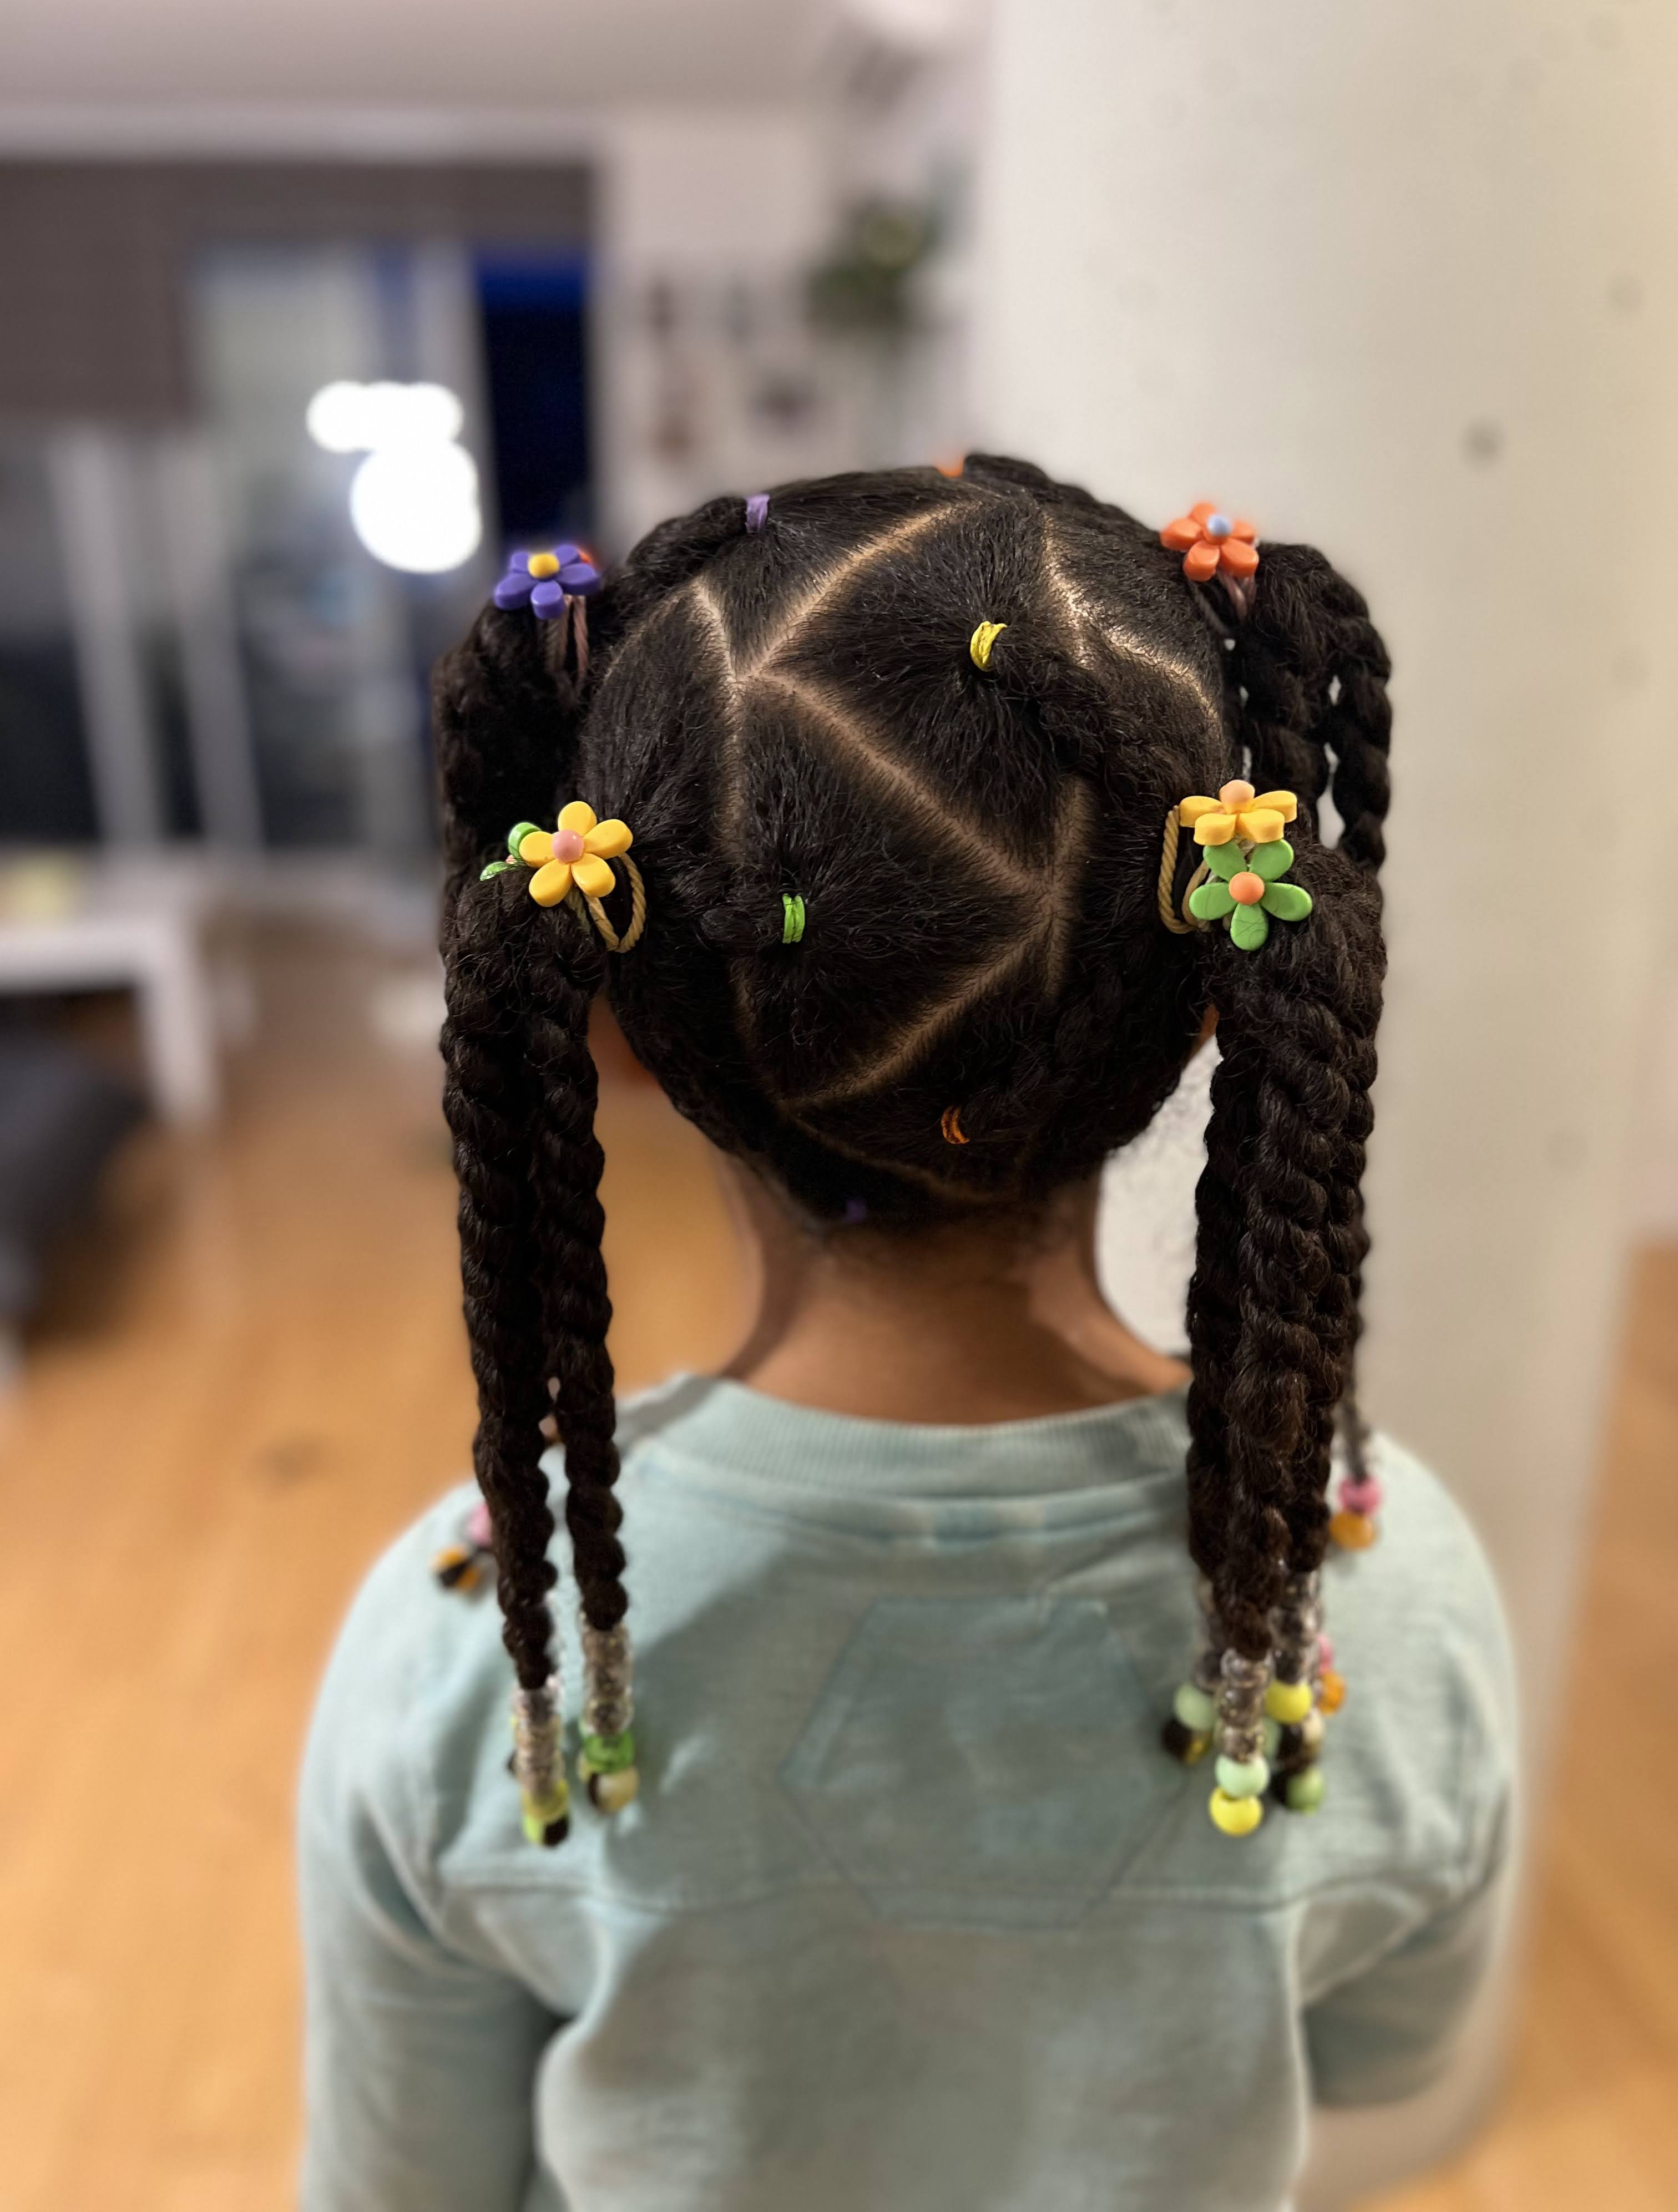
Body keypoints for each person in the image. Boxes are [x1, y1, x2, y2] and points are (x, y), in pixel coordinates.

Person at [299, 460, 1515, 2212]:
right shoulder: (1363, 1591)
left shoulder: (488, 1652)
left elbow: (400, 2183)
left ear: (626, 1013)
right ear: (1207, 1002)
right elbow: (1393, 2065)